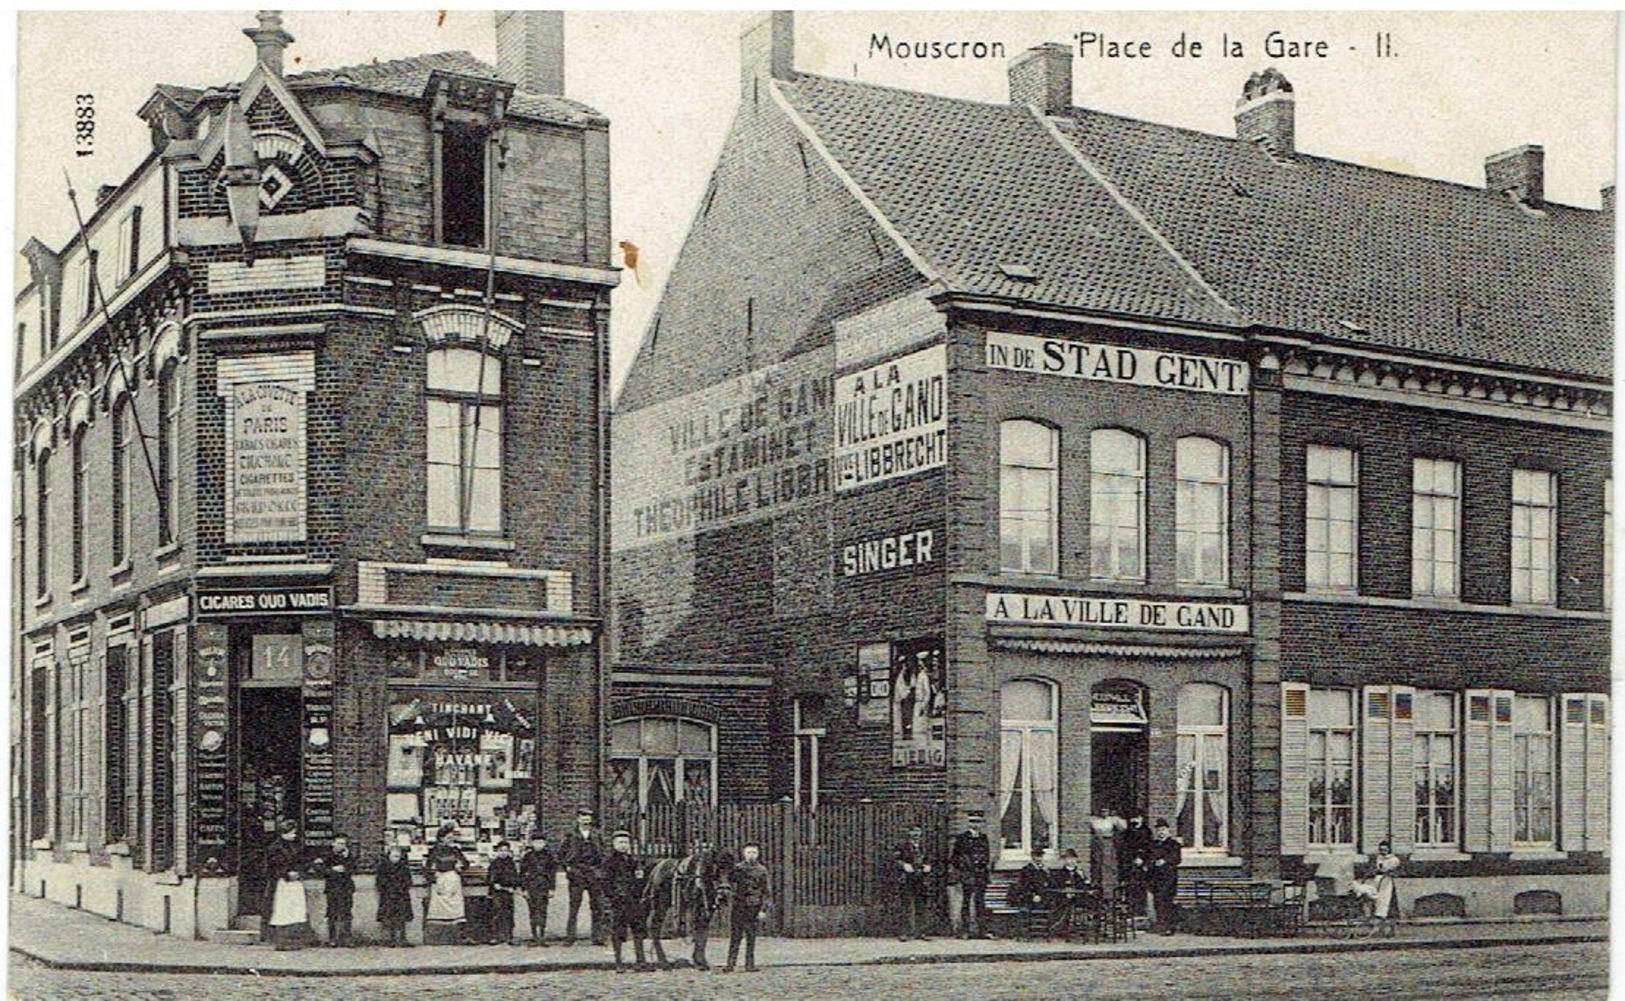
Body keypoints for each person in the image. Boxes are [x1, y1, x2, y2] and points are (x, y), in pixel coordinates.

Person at [600, 829, 650, 971]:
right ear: (614, 844)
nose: (623, 845)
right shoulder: (609, 861)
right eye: (620, 842)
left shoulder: (633, 861)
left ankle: (641, 961)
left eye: (626, 842)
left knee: (638, 930)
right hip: (619, 902)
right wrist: (614, 897)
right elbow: (605, 882)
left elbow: (640, 882)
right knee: (618, 931)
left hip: (634, 900)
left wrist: (640, 878)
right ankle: (619, 962)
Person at [559, 809, 607, 947]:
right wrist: (568, 868)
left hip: (593, 873)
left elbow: (603, 852)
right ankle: (570, 937)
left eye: (588, 817)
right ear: (578, 818)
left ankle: (597, 936)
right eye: (583, 817)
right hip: (577, 874)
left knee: (597, 906)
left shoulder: (597, 834)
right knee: (574, 906)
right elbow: (561, 854)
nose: (586, 819)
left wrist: (599, 869)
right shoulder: (570, 835)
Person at [722, 841, 770, 973]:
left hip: (754, 906)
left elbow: (767, 892)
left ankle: (750, 965)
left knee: (751, 937)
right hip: (739, 905)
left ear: (758, 854)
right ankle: (730, 964)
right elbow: (727, 882)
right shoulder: (737, 868)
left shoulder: (762, 870)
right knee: (735, 936)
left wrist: (763, 910)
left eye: (754, 852)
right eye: (749, 852)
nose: (751, 855)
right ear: (744, 854)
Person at [676, 839, 723, 969]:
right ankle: (698, 955)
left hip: (707, 894)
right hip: (695, 896)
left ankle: (699, 955)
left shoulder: (714, 863)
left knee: (703, 924)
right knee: (698, 922)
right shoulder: (691, 865)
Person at [947, 811, 994, 939]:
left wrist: (983, 865)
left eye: (978, 821)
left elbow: (987, 855)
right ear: (969, 822)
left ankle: (982, 931)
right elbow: (954, 858)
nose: (976, 824)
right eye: (973, 821)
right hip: (968, 875)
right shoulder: (962, 838)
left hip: (981, 875)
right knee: (966, 902)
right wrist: (964, 868)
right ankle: (965, 931)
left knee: (981, 902)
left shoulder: (984, 838)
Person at [265, 822, 311, 950]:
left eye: (294, 833)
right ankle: (281, 942)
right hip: (282, 883)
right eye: (291, 833)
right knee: (282, 910)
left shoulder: (296, 846)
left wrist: (300, 872)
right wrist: (286, 874)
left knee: (296, 910)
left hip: (296, 882)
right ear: (283, 833)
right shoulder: (274, 848)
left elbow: (303, 861)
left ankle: (294, 941)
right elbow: (272, 866)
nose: (294, 835)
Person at [423, 823, 469, 944]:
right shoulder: (435, 851)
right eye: (448, 838)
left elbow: (465, 863)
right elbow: (428, 867)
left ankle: (458, 937)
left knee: (457, 910)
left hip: (453, 881)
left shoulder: (455, 850)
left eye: (451, 837)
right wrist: (434, 877)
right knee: (439, 910)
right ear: (441, 838)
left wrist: (461, 866)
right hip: (441, 882)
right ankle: (439, 939)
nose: (450, 840)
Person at [311, 834, 356, 947]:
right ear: (333, 844)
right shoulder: (327, 856)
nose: (341, 846)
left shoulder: (349, 856)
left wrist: (347, 859)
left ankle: (347, 937)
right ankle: (333, 938)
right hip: (332, 888)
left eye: (344, 844)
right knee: (332, 913)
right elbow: (318, 868)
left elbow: (354, 868)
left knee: (347, 912)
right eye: (339, 843)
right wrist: (332, 870)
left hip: (346, 888)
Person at [892, 825, 936, 940]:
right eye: (913, 831)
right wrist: (904, 865)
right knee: (905, 905)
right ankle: (904, 933)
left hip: (921, 878)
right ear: (909, 833)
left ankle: (921, 932)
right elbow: (895, 859)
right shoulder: (902, 846)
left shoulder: (925, 846)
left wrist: (928, 865)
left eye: (918, 831)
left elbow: (930, 858)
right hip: (906, 878)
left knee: (921, 905)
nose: (916, 834)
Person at [519, 830, 559, 946]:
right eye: (536, 842)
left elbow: (552, 873)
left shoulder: (549, 856)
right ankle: (534, 936)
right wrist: (524, 889)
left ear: (545, 843)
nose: (538, 844)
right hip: (531, 886)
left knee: (543, 911)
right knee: (532, 912)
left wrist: (552, 889)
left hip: (544, 887)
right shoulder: (527, 856)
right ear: (532, 843)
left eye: (541, 842)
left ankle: (542, 936)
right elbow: (522, 873)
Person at [1351, 840, 1402, 931]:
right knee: (1374, 897)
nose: (1382, 852)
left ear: (1389, 850)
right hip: (1377, 880)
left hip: (1387, 881)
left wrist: (1386, 872)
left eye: (1385, 850)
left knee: (1385, 901)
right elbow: (1376, 869)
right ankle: (1375, 920)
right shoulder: (1379, 858)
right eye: (1381, 850)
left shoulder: (1394, 860)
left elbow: (1391, 871)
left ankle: (1389, 926)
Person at [1146, 818, 1183, 935]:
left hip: (1168, 878)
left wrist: (1165, 861)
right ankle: (1160, 925)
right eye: (1158, 830)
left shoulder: (1173, 844)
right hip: (1155, 878)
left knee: (1166, 901)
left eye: (1163, 830)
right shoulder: (1154, 844)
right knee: (1157, 901)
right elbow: (1149, 857)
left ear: (1168, 830)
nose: (1161, 832)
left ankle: (1169, 927)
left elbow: (1176, 858)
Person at [375, 843, 415, 947]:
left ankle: (402, 938)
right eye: (394, 856)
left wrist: (402, 887)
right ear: (388, 856)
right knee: (389, 917)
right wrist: (388, 888)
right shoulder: (383, 867)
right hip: (388, 895)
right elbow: (380, 882)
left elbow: (408, 880)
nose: (396, 859)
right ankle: (390, 939)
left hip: (402, 895)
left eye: (398, 856)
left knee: (402, 917)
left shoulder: (404, 867)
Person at [487, 839, 521, 945]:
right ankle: (496, 936)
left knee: (509, 913)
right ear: (497, 851)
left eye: (505, 850)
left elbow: (515, 877)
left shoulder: (511, 863)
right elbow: (490, 877)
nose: (503, 852)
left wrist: (514, 886)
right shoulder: (494, 863)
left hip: (508, 891)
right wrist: (494, 884)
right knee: (497, 912)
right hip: (497, 892)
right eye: (501, 850)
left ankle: (509, 935)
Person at [1013, 845, 1049, 937]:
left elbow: (1048, 884)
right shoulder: (1027, 870)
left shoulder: (1044, 870)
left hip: (1042, 897)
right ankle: (1032, 931)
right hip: (1028, 898)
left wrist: (1046, 873)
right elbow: (1023, 887)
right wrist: (1033, 895)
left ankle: (1046, 931)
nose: (1039, 858)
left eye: (1040, 856)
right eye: (1037, 856)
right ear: (1032, 856)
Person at [1122, 813, 1153, 920]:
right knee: (1130, 886)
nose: (1134, 821)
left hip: (1143, 865)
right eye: (1132, 818)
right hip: (1130, 864)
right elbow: (1124, 848)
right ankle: (1131, 911)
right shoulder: (1127, 833)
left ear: (1141, 819)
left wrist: (1142, 858)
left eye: (1137, 818)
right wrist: (1130, 859)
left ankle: (1141, 912)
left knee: (1142, 887)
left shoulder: (1147, 832)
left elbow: (1149, 848)